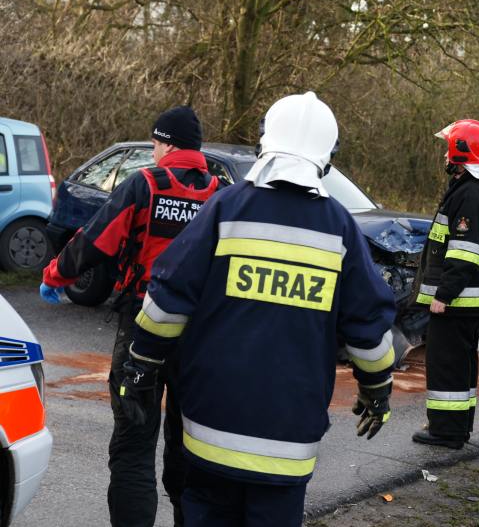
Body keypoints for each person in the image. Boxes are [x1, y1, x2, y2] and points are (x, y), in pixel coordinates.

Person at [121, 92, 396, 526]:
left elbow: (169, 298)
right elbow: (367, 325)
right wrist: (377, 387)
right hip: (287, 446)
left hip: (210, 430)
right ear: (327, 156)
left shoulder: (226, 209)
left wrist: (141, 365)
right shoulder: (339, 227)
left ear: (265, 142)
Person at [40, 106, 219, 526]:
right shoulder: (218, 193)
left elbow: (95, 240)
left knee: (134, 447)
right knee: (189, 444)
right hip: (199, 336)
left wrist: (56, 275)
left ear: (167, 143)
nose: (154, 151)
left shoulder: (145, 185)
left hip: (144, 327)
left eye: (155, 143)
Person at [411, 119, 479, 450]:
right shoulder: (477, 189)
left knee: (447, 365)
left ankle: (446, 432)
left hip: (458, 300)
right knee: (460, 364)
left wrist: (443, 294)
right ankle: (455, 426)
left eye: (448, 148)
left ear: (460, 151)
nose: (444, 155)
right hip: (467, 301)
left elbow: (465, 252)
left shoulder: (472, 194)